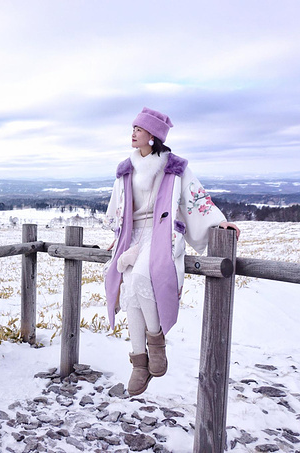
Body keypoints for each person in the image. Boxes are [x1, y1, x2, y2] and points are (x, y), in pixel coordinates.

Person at [103, 106, 240, 396]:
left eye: (138, 129)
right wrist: (118, 236)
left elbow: (196, 199)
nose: (133, 133)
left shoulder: (175, 167)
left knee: (141, 277)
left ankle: (157, 342)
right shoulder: (125, 169)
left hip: (161, 233)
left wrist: (218, 221)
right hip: (133, 235)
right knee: (131, 294)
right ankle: (139, 362)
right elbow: (119, 207)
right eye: (133, 128)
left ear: (152, 135)